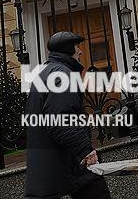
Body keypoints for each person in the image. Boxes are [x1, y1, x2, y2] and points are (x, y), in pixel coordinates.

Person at [25, 31, 112, 199]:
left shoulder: (44, 74)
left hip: (50, 163)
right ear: (68, 49)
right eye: (76, 46)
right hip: (71, 161)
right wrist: (86, 151)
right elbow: (61, 120)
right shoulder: (63, 75)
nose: (81, 51)